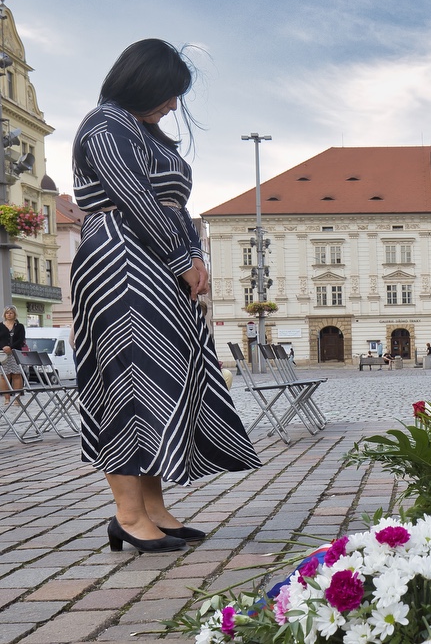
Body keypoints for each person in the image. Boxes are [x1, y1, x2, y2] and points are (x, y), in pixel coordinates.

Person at [71, 39, 260, 554]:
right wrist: (185, 258)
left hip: (151, 259)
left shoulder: (142, 131)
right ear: (139, 81)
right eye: (167, 92)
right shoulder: (105, 124)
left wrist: (192, 256)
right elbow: (133, 197)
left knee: (155, 381)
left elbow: (170, 207)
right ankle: (128, 515)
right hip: (120, 259)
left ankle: (153, 509)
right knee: (128, 385)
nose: (173, 105)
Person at [0, 306, 26, 405]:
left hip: (15, 352)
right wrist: (4, 347)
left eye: (11, 313)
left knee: (16, 374)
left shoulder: (19, 326)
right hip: (3, 354)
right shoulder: (0, 326)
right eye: (7, 313)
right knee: (4, 375)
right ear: (4, 314)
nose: (9, 314)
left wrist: (11, 347)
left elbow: (21, 339)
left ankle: (17, 399)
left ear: (15, 314)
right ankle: (6, 398)